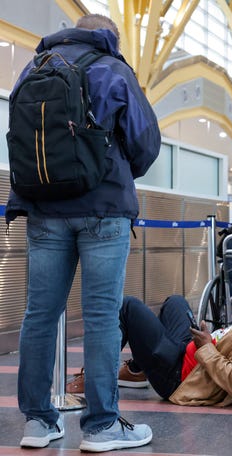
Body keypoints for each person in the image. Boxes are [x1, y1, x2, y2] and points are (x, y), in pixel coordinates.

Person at [6, 14, 160, 452]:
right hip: (103, 209)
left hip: (42, 209)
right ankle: (101, 427)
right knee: (100, 318)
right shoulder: (112, 68)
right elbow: (145, 141)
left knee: (40, 315)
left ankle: (38, 422)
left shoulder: (33, 68)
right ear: (110, 35)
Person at [67, 275, 232, 404]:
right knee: (176, 301)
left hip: (179, 377)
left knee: (128, 307)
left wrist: (207, 346)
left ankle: (95, 378)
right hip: (190, 355)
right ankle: (139, 369)